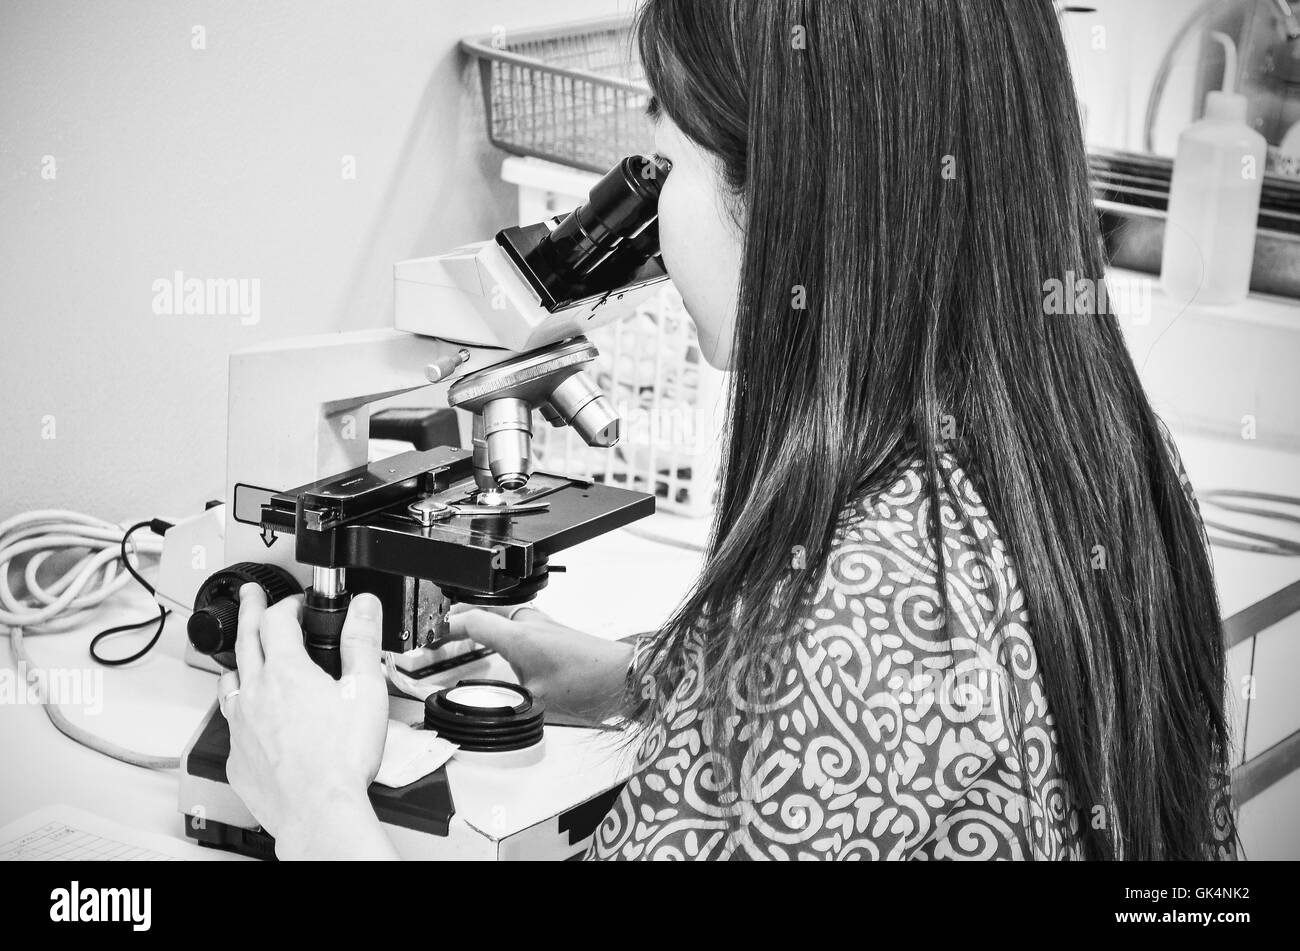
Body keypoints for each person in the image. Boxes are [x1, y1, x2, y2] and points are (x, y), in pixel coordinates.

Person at [219, 0, 1239, 860]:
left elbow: (861, 681)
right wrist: (660, 679)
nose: (655, 230)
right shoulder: (1101, 450)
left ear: (790, 189)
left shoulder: (857, 622)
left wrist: (318, 810)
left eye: (665, 166)